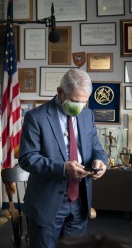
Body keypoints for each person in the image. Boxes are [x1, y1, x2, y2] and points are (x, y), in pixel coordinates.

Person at [18, 68, 108, 248]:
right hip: (47, 203)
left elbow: (97, 149)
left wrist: (100, 162)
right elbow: (27, 158)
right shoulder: (36, 117)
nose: (79, 106)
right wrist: (63, 168)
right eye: (75, 101)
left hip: (79, 203)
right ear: (60, 92)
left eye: (84, 101)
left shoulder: (86, 115)